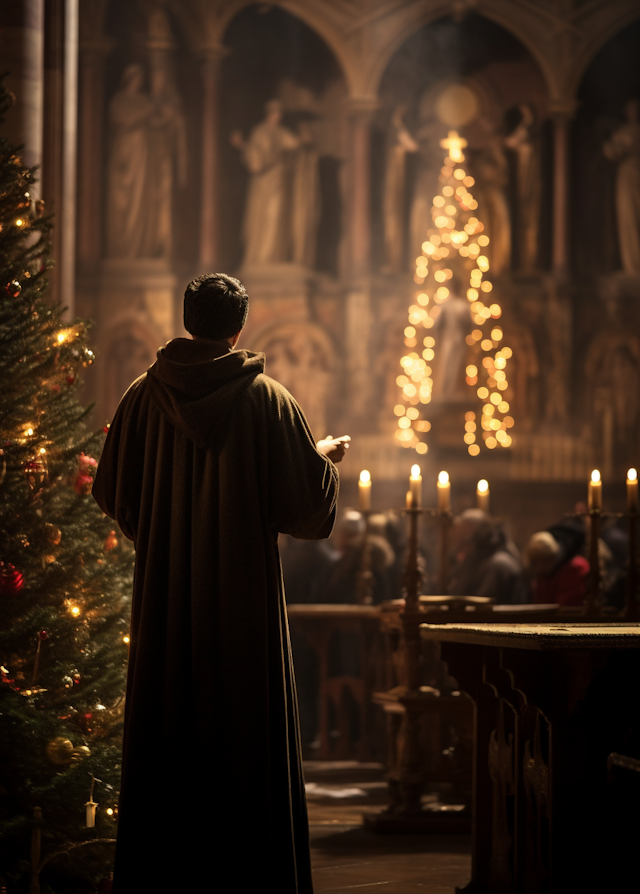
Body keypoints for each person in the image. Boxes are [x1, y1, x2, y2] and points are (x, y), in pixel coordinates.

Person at [92, 273, 350, 893]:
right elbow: (306, 513)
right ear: (239, 327)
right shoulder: (269, 401)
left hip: (166, 603)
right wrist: (322, 460)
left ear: (189, 322)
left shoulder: (139, 398)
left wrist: (167, 528)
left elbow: (113, 493)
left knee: (167, 729)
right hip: (242, 608)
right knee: (243, 739)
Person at [449, 509, 526, 604]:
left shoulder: (498, 565)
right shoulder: (476, 561)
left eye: (463, 539)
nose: (458, 545)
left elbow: (482, 606)